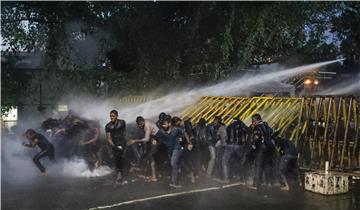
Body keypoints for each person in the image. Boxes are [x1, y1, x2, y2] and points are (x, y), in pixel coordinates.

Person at [128, 116, 160, 182]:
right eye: (139, 125)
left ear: (143, 122)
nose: (140, 126)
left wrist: (135, 141)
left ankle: (154, 177)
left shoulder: (147, 126)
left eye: (141, 125)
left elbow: (146, 139)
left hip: (157, 140)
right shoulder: (145, 123)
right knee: (150, 157)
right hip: (153, 139)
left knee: (151, 158)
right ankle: (155, 174)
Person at [156, 116, 185, 188]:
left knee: (173, 163)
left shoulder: (176, 129)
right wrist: (155, 141)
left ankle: (175, 182)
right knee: (174, 165)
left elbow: (184, 132)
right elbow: (157, 138)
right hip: (169, 150)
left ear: (169, 124)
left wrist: (184, 139)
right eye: (163, 124)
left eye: (165, 124)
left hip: (177, 148)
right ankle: (177, 177)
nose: (163, 126)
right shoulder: (161, 131)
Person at [250, 113, 274, 190]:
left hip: (261, 148)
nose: (252, 122)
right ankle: (268, 182)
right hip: (269, 148)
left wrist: (253, 145)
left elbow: (255, 138)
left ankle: (256, 184)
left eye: (253, 121)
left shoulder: (257, 127)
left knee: (258, 166)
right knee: (267, 166)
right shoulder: (267, 126)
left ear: (256, 120)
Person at [221, 117, 248, 183]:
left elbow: (226, 137)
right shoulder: (241, 127)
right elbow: (248, 130)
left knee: (225, 161)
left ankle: (226, 178)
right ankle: (242, 178)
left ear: (233, 120)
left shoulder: (229, 126)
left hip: (229, 145)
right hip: (239, 146)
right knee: (241, 162)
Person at [105, 110, 127, 183]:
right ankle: (119, 174)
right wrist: (114, 146)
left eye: (113, 116)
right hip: (114, 143)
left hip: (122, 142)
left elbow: (124, 132)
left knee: (123, 156)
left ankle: (124, 170)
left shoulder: (122, 122)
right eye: (110, 116)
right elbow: (109, 138)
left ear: (117, 116)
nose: (111, 117)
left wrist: (125, 142)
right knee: (117, 157)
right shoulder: (108, 126)